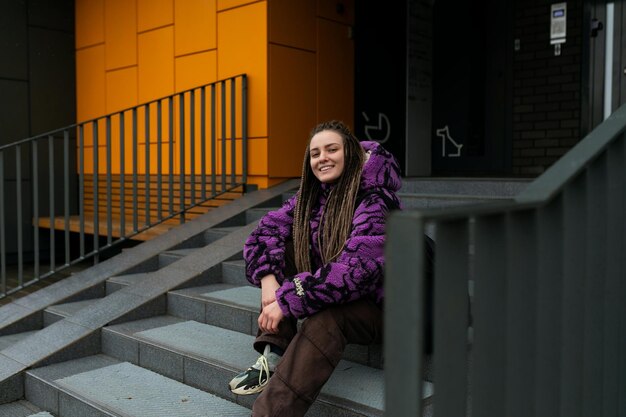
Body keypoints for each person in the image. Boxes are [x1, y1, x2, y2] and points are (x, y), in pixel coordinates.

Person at [228, 120, 403, 417]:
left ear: (350, 152)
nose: (322, 158)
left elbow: (356, 270)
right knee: (282, 248)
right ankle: (273, 354)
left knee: (325, 318)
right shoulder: (316, 195)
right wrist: (269, 281)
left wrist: (289, 299)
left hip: (385, 308)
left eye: (331, 149)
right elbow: (266, 230)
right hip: (344, 292)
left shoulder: (377, 200)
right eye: (315, 153)